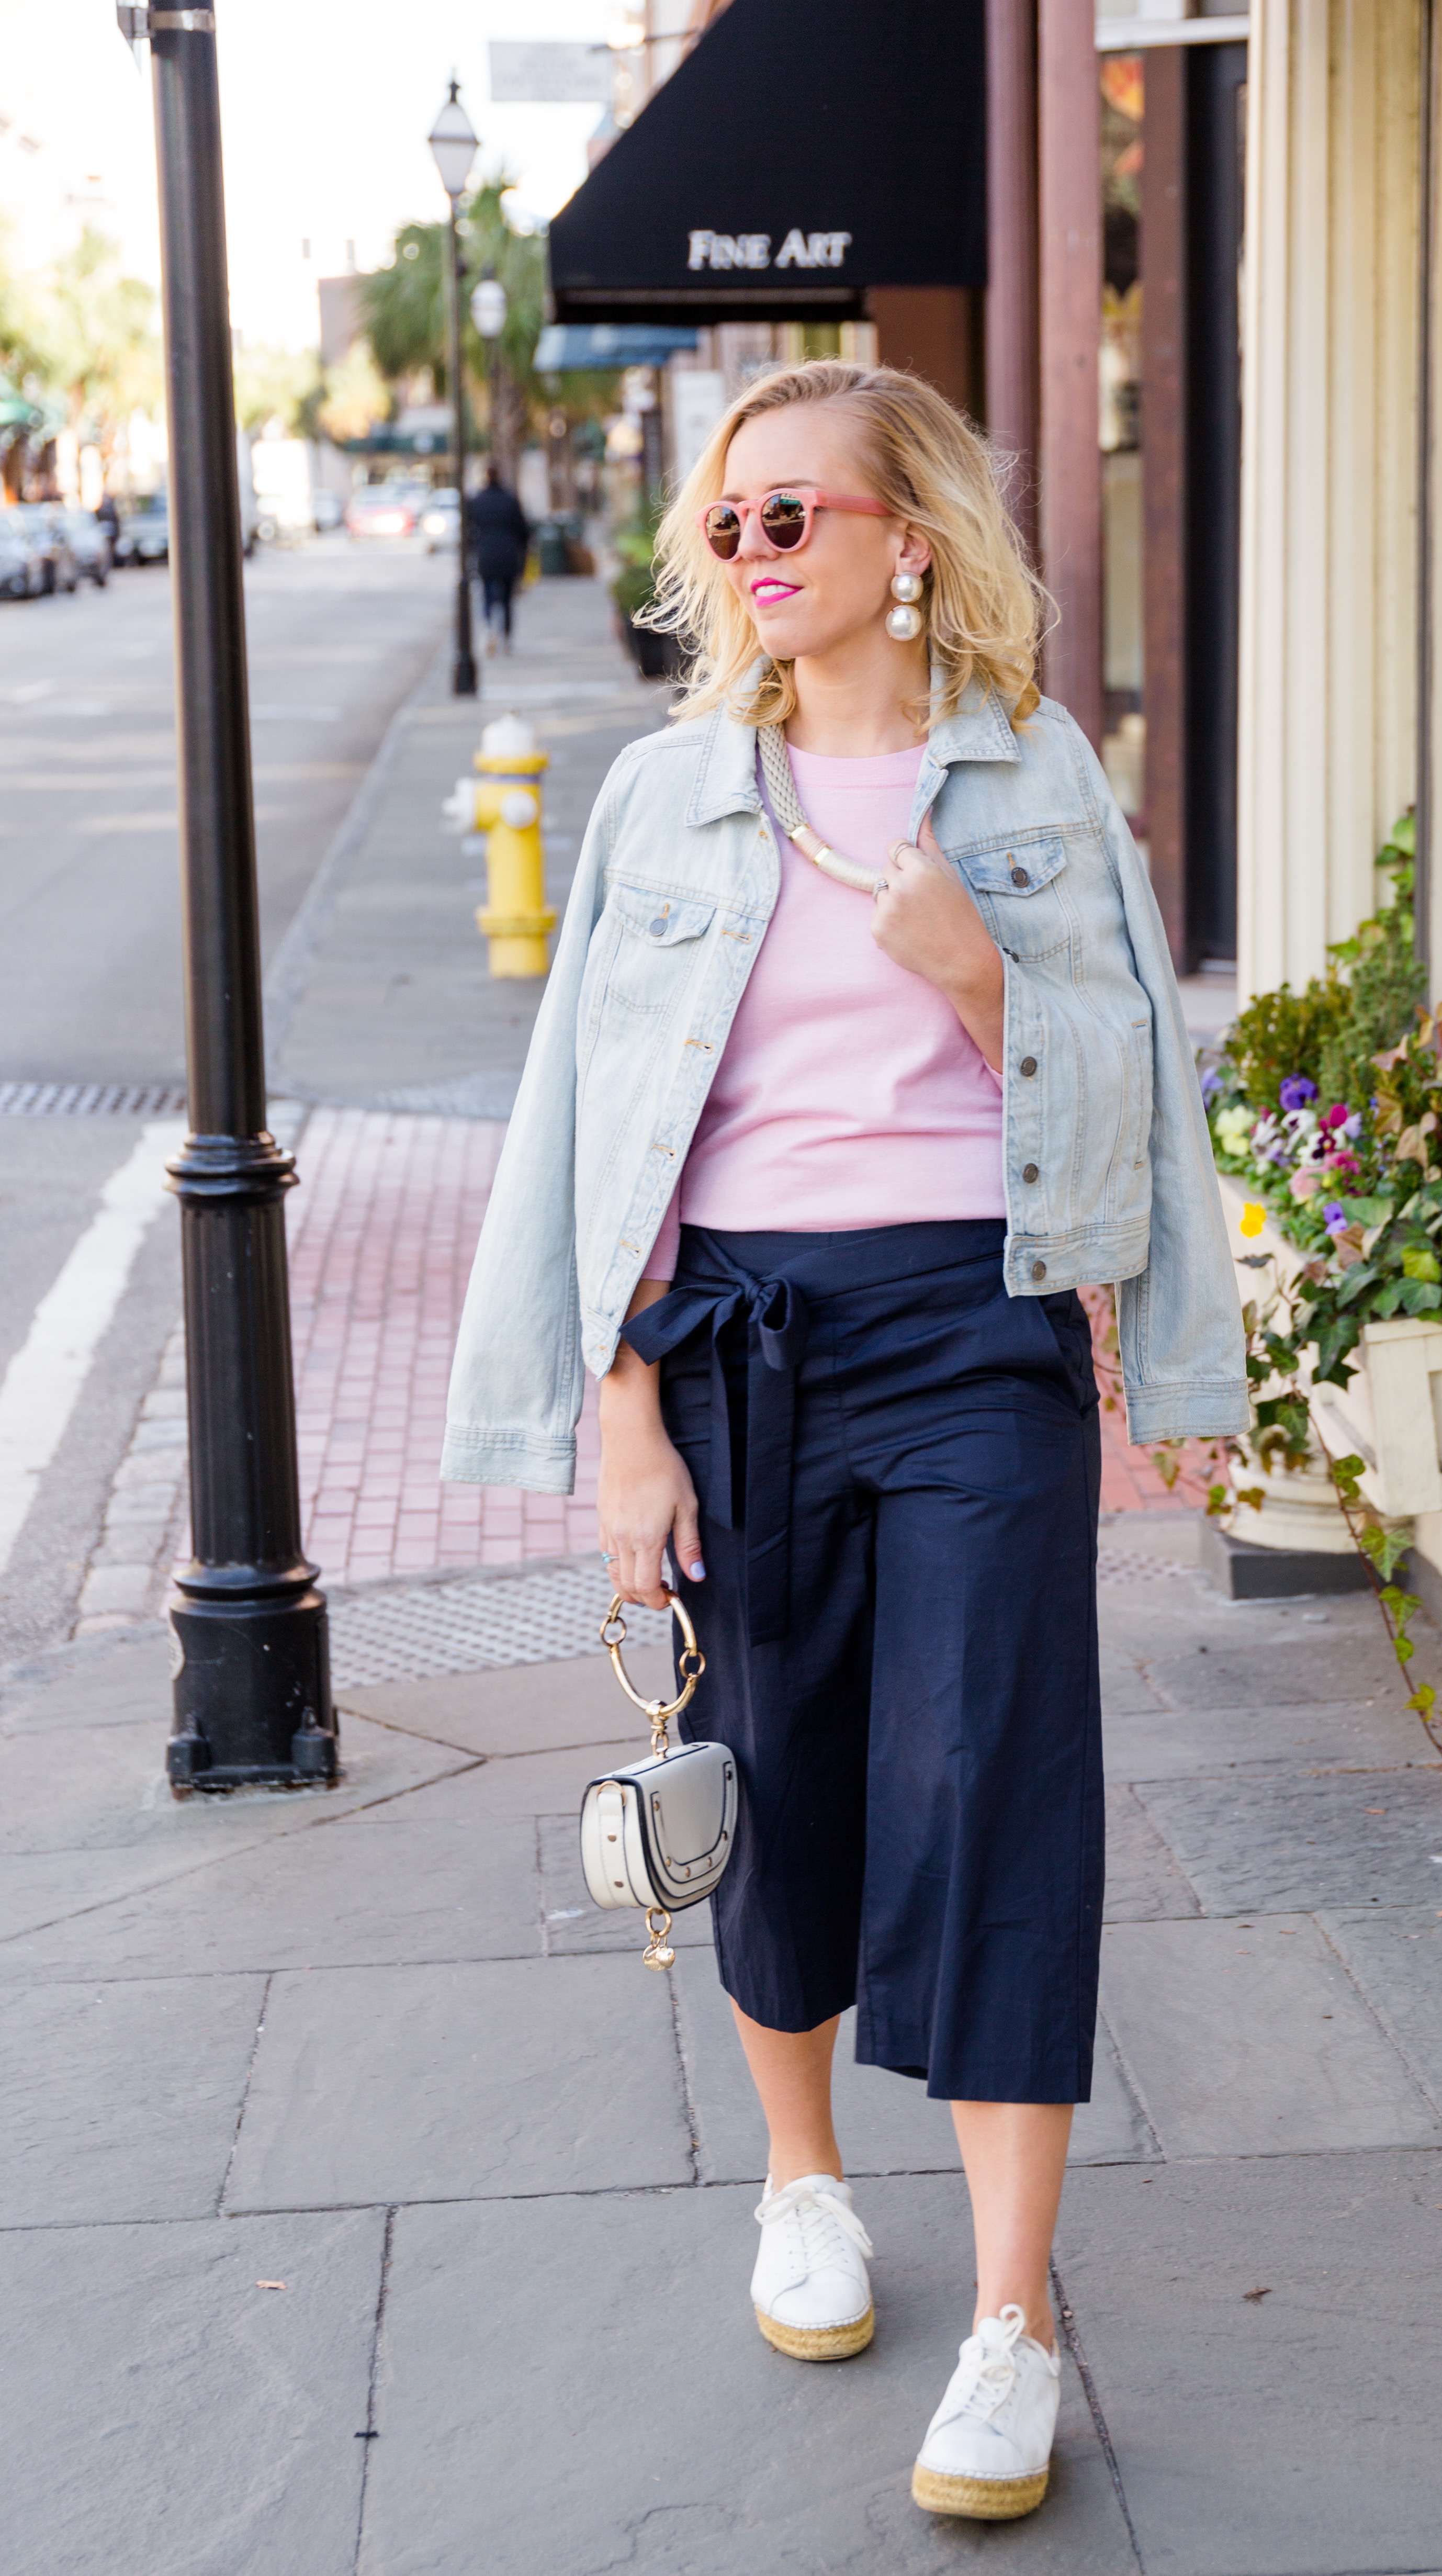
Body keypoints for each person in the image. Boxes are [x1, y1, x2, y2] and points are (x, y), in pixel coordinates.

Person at [443, 362, 1246, 2519]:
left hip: (973, 1335)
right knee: (775, 1771)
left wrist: (983, 979)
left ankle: (1011, 2321)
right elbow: (592, 1139)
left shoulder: (1035, 780)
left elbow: (1132, 1087)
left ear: (912, 536)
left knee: (997, 1777)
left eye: (795, 514)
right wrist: (619, 1407)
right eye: (729, 526)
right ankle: (799, 2180)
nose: (755, 556)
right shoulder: (668, 796)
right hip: (732, 1344)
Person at [468, 462, 531, 652]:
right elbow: (524, 531)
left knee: (487, 596)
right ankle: (507, 638)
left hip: (486, 555)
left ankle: (489, 629)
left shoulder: (478, 500)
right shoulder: (510, 500)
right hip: (509, 555)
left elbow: (470, 532)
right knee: (507, 599)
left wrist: (474, 551)